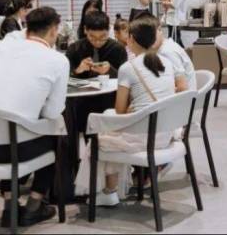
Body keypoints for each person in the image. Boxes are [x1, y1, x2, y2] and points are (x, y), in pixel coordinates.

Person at [0, 7, 69, 226]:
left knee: (8, 130)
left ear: (27, 29)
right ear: (53, 30)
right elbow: (52, 112)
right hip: (13, 150)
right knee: (56, 137)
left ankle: (10, 206)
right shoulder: (58, 60)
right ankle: (34, 206)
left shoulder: (6, 47)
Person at [75, 15, 180, 206]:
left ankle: (109, 191)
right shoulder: (167, 63)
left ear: (130, 39)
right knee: (110, 129)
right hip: (165, 134)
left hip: (143, 138)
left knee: (101, 136)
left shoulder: (128, 68)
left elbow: (120, 111)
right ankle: (113, 190)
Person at [137, 13, 194, 91]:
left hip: (184, 97)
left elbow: (182, 88)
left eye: (152, 34)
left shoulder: (167, 52)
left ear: (160, 30)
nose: (149, 39)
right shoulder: (164, 45)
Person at [67, 11, 128, 80]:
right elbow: (64, 78)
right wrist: (78, 70)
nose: (97, 42)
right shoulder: (74, 49)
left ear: (109, 30)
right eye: (92, 37)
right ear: (85, 29)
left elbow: (126, 78)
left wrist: (110, 70)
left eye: (102, 37)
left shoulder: (118, 49)